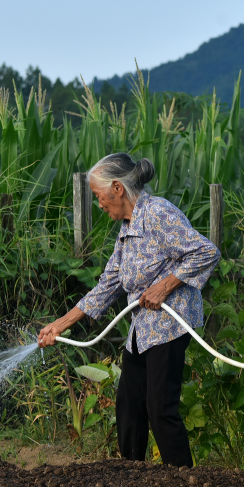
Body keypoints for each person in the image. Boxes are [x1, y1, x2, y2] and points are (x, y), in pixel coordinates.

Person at [38, 153, 220, 467]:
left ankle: (185, 484)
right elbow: (109, 283)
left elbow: (206, 252)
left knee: (159, 407)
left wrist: (165, 286)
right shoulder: (127, 227)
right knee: (129, 406)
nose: (98, 203)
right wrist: (61, 324)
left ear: (118, 188)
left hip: (168, 326)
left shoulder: (157, 212)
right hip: (142, 330)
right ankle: (130, 477)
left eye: (98, 196)